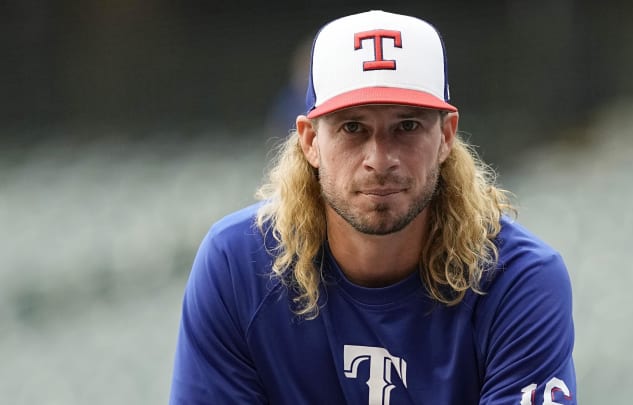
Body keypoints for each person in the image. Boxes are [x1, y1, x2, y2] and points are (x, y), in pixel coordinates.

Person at [169, 10, 576, 405]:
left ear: (446, 136)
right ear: (310, 140)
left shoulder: (518, 279)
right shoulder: (237, 266)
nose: (380, 160)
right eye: (352, 127)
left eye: (407, 126)